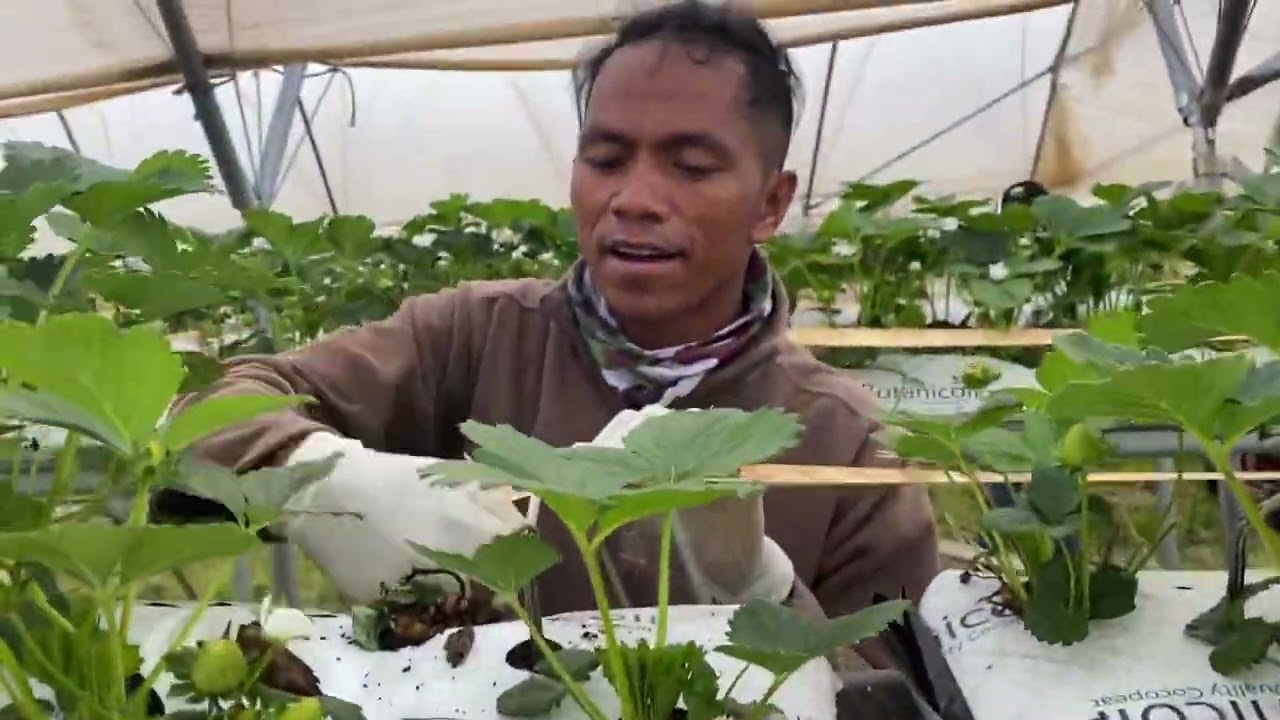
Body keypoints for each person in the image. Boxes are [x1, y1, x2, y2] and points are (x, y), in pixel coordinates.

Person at [175, 0, 941, 672]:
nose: (634, 199)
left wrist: (761, 591)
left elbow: (896, 694)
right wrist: (324, 474)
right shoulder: (474, 336)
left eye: (692, 167)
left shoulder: (847, 448)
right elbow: (214, 405)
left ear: (770, 204)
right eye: (605, 159)